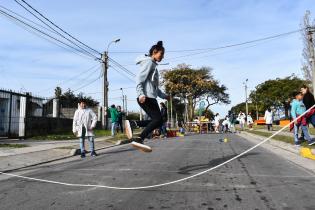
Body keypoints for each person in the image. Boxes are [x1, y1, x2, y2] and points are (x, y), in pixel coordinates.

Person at [125, 41, 169, 152]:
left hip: (151, 97)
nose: (162, 57)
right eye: (161, 54)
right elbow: (139, 78)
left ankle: (133, 124)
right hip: (146, 97)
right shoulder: (149, 62)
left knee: (158, 121)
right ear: (154, 52)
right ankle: (140, 138)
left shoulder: (153, 64)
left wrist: (164, 96)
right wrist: (140, 94)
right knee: (158, 120)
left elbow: (154, 87)